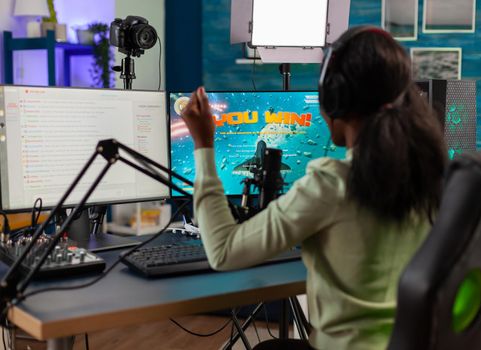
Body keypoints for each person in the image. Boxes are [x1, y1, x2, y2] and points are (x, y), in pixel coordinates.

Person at [180, 25, 447, 350]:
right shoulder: (434, 177)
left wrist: (204, 145)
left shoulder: (332, 183)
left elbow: (223, 251)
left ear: (333, 99)